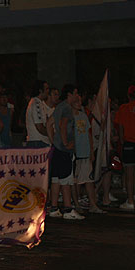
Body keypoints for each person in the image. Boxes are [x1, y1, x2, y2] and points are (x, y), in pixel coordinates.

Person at [49, 84, 85, 220]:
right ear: (70, 94)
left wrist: (54, 140)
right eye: (76, 93)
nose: (77, 96)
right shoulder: (67, 108)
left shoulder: (58, 107)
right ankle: (68, 209)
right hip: (63, 149)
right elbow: (63, 125)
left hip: (57, 148)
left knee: (56, 179)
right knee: (66, 179)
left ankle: (54, 208)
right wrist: (64, 143)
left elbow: (49, 123)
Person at [72, 95, 105, 214]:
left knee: (88, 180)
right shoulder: (69, 116)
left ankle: (93, 204)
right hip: (76, 154)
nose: (78, 102)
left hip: (85, 152)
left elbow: (89, 134)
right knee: (75, 181)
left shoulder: (83, 116)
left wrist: (91, 151)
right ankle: (76, 204)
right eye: (76, 100)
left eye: (80, 100)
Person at [25, 80, 52, 148]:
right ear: (40, 90)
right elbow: (39, 127)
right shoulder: (35, 103)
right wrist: (51, 134)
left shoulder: (40, 103)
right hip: (37, 142)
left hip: (40, 141)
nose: (48, 91)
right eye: (46, 89)